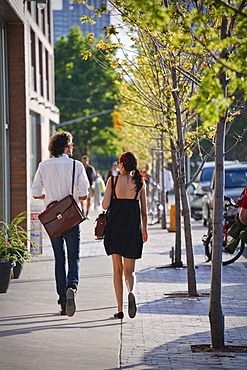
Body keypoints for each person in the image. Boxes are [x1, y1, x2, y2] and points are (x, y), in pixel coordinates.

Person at [32, 132, 89, 316]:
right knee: (74, 258)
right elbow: (84, 194)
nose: (72, 148)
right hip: (71, 217)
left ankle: (63, 302)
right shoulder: (76, 165)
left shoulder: (43, 166)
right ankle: (71, 286)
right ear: (66, 147)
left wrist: (49, 196)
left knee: (59, 259)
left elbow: (36, 192)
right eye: (71, 145)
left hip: (53, 220)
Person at [102, 151, 148, 320]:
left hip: (114, 230)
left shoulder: (112, 181)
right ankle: (132, 292)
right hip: (132, 230)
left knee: (117, 270)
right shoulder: (139, 183)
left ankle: (120, 309)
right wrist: (145, 230)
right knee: (130, 272)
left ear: (122, 164)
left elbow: (105, 204)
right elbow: (144, 211)